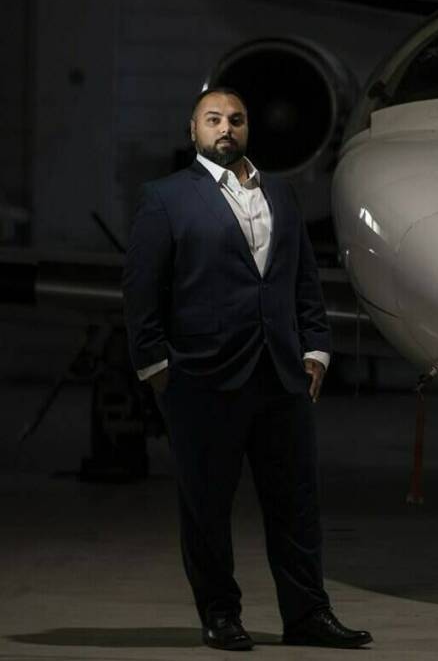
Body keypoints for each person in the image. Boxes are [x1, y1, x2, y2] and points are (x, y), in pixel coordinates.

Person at [122, 87, 371, 651]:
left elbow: (303, 282)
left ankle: (307, 615)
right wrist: (158, 369)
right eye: (213, 120)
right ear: (194, 131)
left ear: (248, 129)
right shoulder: (165, 199)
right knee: (207, 509)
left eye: (235, 119)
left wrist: (316, 349)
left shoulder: (280, 195)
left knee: (296, 506)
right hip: (202, 381)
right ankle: (221, 615)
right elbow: (141, 292)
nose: (225, 128)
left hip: (281, 379)